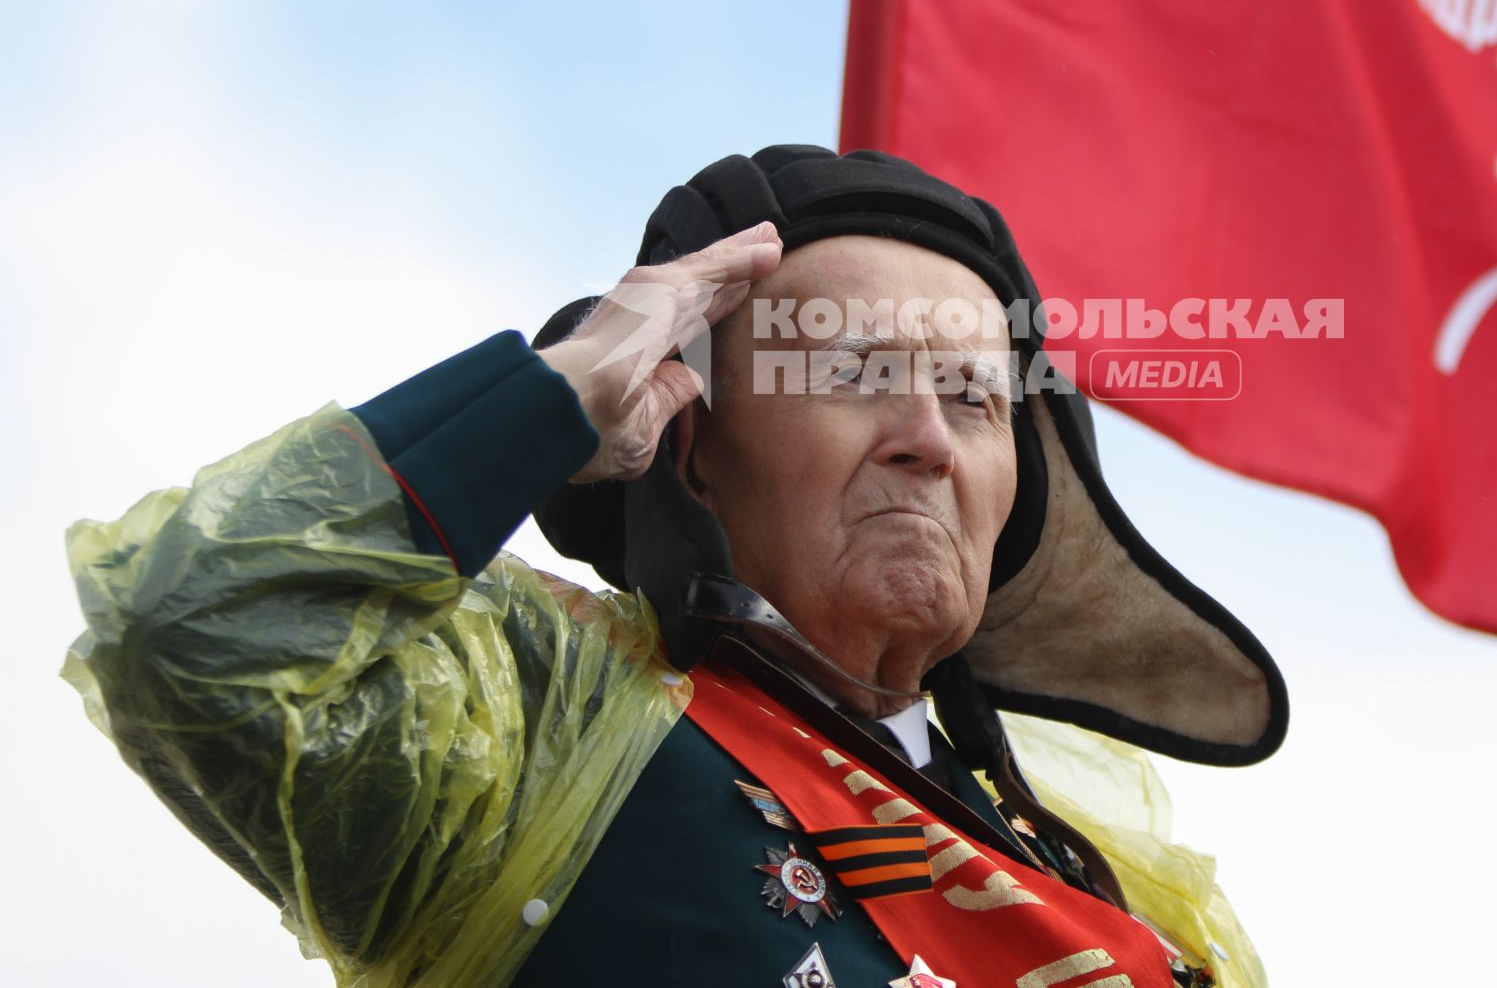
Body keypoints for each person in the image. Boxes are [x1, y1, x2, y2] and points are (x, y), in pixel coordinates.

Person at [65, 145, 1287, 988]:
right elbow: (190, 628)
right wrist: (550, 402)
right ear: (690, 447)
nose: (926, 434)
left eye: (973, 395)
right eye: (853, 374)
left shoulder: (1108, 875)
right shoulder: (540, 733)